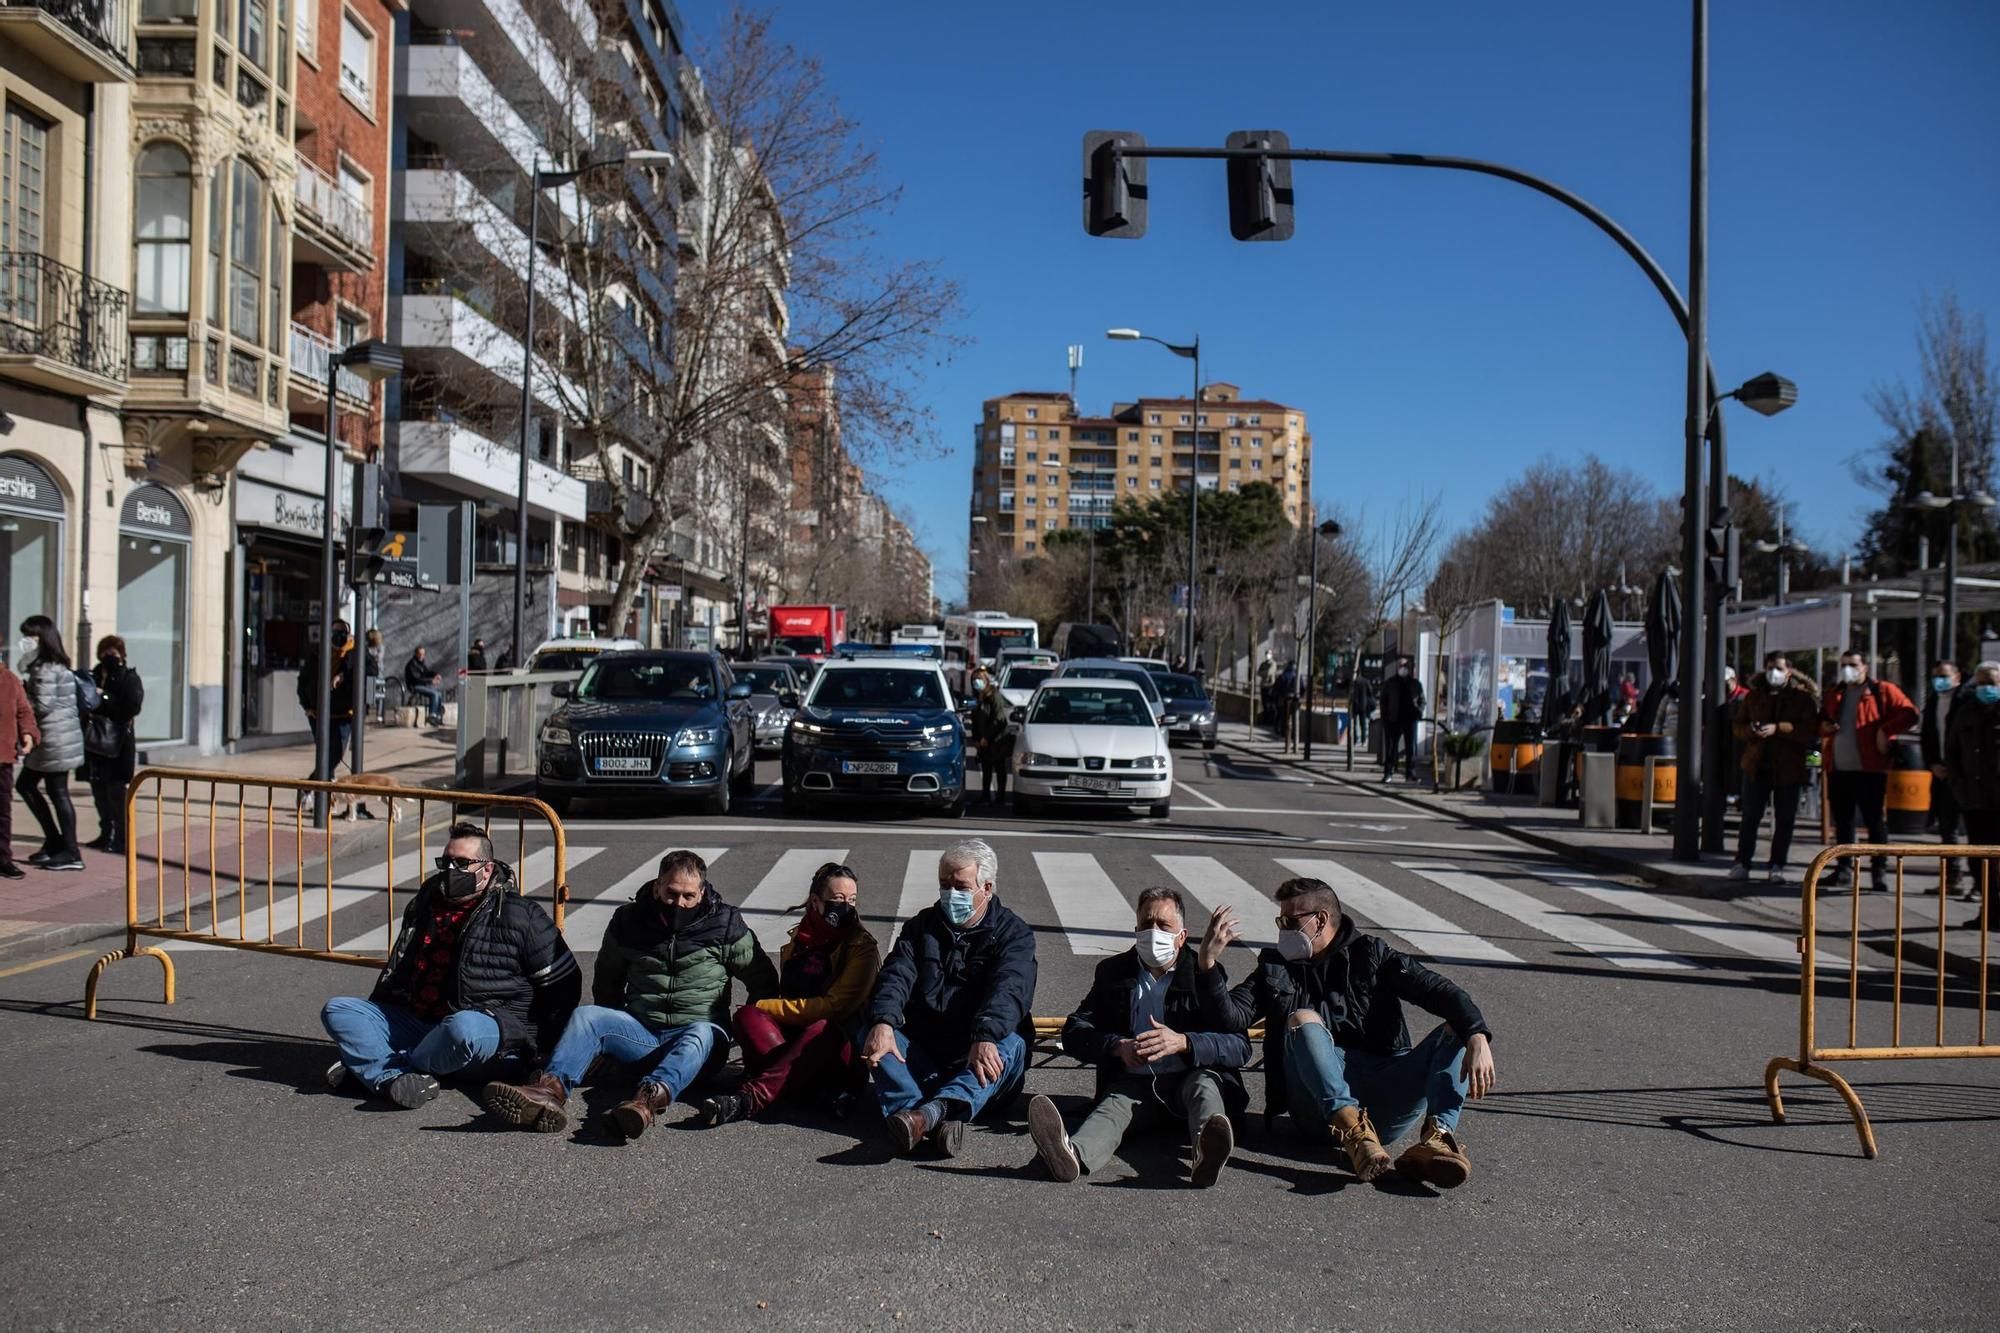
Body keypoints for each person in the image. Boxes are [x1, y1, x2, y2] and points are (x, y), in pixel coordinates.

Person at [1199, 878, 1496, 1187]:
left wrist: (1476, 1035)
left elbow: (1439, 990)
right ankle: (1353, 1130)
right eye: (1280, 920)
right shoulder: (1275, 967)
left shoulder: (1372, 955)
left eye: (1289, 921)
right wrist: (1207, 966)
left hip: (1382, 1093)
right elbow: (1232, 1018)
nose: (1282, 930)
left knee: (1457, 1026)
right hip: (1317, 1108)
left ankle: (1437, 1139)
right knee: (1303, 1019)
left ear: (1321, 920)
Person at [483, 848, 778, 1137]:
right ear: (657, 887)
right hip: (642, 1035)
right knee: (588, 1016)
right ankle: (548, 1090)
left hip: (700, 1042)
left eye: (688, 896)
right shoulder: (628, 921)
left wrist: (744, 1040)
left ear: (702, 893)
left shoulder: (725, 925)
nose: (679, 903)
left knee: (701, 1032)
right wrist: (603, 1045)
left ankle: (645, 1103)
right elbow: (607, 981)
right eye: (671, 893)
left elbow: (762, 981)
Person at [321, 822, 579, 1107]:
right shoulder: (428, 901)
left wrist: (542, 1048)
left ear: (487, 869)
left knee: (462, 1028)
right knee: (339, 1010)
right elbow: (400, 967)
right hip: (422, 1023)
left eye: (461, 862)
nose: (451, 870)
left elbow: (564, 984)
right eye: (446, 862)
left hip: (489, 1033)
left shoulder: (520, 914)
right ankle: (394, 1079)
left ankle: (384, 1069)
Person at [1025, 887, 1251, 1187]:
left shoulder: (1205, 975)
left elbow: (1238, 1045)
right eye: (1146, 925)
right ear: (1136, 930)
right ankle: (1071, 1155)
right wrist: (1117, 1047)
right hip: (1136, 1084)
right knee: (1112, 1108)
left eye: (1163, 925)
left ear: (1181, 936)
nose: (1153, 932)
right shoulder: (1113, 972)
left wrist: (1184, 1042)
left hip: (1188, 1079)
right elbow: (1076, 1030)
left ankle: (1206, 1154)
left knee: (1204, 1087)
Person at [860, 838, 1036, 1156]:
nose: (951, 894)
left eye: (961, 886)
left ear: (987, 888)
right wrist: (884, 1021)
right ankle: (936, 1118)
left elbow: (1009, 990)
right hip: (927, 1056)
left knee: (1010, 1044)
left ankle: (925, 1115)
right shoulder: (921, 927)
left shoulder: (1014, 934)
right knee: (871, 1029)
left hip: (978, 1059)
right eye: (944, 884)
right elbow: (896, 975)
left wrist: (985, 1036)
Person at [700, 861, 881, 1125]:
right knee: (747, 1016)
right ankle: (816, 1093)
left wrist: (769, 1006)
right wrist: (763, 1009)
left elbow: (834, 1009)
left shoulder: (861, 947)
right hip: (795, 1041)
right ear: (816, 901)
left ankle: (750, 1099)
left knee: (821, 1027)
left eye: (851, 900)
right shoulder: (802, 937)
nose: (846, 907)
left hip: (838, 1047)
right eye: (838, 899)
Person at [1819, 651, 1917, 891]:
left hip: (1870, 769)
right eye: (1844, 665)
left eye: (1853, 664)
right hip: (1839, 767)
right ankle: (1844, 869)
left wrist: (1885, 730)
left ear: (1865, 667)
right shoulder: (1835, 693)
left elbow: (1909, 713)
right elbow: (1821, 721)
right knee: (1843, 822)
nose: (1848, 669)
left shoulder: (1881, 691)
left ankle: (1878, 871)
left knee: (1875, 822)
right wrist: (1824, 726)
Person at [1731, 652, 1819, 885]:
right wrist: (1752, 730)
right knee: (1750, 817)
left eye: (1779, 668)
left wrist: (1778, 728)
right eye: (1770, 667)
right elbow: (1738, 727)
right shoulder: (1754, 697)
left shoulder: (1801, 699)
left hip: (1788, 767)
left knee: (1785, 819)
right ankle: (1742, 862)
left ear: (1789, 672)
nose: (1774, 673)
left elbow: (1810, 730)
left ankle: (1777, 865)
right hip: (1756, 766)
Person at [15, 616, 84, 871]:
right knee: (28, 786)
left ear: (41, 638)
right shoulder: (45, 665)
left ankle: (71, 851)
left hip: (56, 739)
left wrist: (21, 698)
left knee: (57, 792)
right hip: (52, 738)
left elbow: (42, 705)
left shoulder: (46, 669)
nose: (25, 641)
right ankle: (55, 841)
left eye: (29, 636)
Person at [1943, 661, 2000, 929]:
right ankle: (1987, 912)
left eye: (1992, 683)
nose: (1986, 688)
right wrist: (1957, 785)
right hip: (1974, 799)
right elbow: (1952, 750)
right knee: (1980, 861)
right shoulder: (1965, 712)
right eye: (1982, 683)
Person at [85, 636, 144, 854]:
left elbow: (132, 707)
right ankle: (105, 834)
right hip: (95, 743)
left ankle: (122, 838)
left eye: (114, 652)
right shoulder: (94, 676)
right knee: (99, 792)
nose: (109, 656)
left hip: (118, 745)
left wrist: (106, 697)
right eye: (105, 652)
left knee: (117, 793)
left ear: (122, 655)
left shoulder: (129, 678)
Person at [1921, 660, 1969, 899]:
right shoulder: (1932, 702)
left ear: (1957, 677)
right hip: (1941, 774)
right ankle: (1953, 877)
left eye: (1944, 675)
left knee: (1975, 833)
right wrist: (1932, 763)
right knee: (1947, 828)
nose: (1939, 680)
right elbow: (1927, 738)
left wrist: (1957, 767)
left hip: (1966, 777)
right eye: (1935, 676)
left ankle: (1982, 885)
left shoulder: (1966, 703)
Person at [298, 619, 357, 780]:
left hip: (343, 715)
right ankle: (324, 796)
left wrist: (343, 675)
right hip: (319, 714)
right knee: (325, 754)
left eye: (342, 633)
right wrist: (307, 706)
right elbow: (303, 681)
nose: (338, 636)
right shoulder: (318, 654)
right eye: (335, 632)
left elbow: (371, 668)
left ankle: (309, 786)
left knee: (335, 754)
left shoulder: (354, 653)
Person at [0, 654, 40, 878]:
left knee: (2, 813)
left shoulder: (9, 680)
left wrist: (28, 733)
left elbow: (24, 711)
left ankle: (3, 858)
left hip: (2, 755)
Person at [969, 666, 1014, 805]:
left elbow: (998, 719)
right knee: (986, 767)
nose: (977, 682)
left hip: (997, 739)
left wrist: (987, 738)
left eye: (980, 679)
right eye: (974, 680)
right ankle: (985, 795)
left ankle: (1000, 798)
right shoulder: (977, 698)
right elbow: (975, 720)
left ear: (986, 680)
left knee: (999, 768)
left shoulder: (994, 696)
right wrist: (977, 739)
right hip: (984, 741)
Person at [1379, 656, 1424, 782]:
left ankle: (1410, 772)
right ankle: (1388, 772)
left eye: (1405, 666)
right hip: (1394, 720)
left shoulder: (1415, 684)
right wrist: (1385, 719)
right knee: (1391, 748)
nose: (1403, 668)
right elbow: (1383, 702)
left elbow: (1422, 700)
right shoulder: (1390, 683)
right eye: (1400, 666)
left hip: (1410, 720)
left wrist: (1419, 711)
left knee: (1411, 748)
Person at [402, 645, 446, 727]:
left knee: (438, 693)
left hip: (422, 685)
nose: (422, 656)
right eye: (420, 654)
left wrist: (435, 674)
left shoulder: (420, 663)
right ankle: (432, 715)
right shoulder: (412, 664)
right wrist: (431, 681)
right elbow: (416, 679)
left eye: (423, 654)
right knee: (434, 694)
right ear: (416, 654)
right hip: (415, 686)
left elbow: (426, 672)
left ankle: (438, 716)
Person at [1274, 660, 1300, 750]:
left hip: (1283, 698)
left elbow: (1276, 687)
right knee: (1294, 717)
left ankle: (1283, 733)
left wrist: (1277, 695)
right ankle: (1292, 735)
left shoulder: (1283, 675)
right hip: (1294, 699)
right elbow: (1303, 687)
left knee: (1283, 715)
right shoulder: (1297, 675)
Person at [1348, 671, 1375, 749]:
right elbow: (1370, 691)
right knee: (1362, 724)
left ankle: (1355, 740)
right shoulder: (1365, 681)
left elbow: (1342, 686)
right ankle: (1363, 740)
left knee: (1354, 724)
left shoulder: (1352, 681)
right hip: (1363, 705)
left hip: (1354, 705)